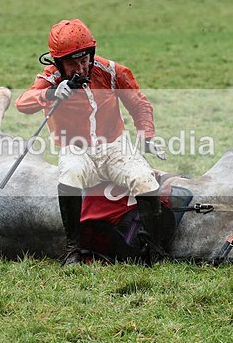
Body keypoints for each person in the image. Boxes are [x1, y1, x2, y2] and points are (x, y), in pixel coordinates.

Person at [15, 19, 167, 265]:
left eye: (84, 59)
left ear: (92, 54)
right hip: (75, 149)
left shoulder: (111, 71)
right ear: (58, 63)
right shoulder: (51, 78)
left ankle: (156, 251)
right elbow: (22, 103)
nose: (81, 68)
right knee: (71, 174)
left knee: (144, 179)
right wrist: (52, 93)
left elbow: (139, 103)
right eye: (72, 63)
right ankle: (72, 250)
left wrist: (147, 135)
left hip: (115, 146)